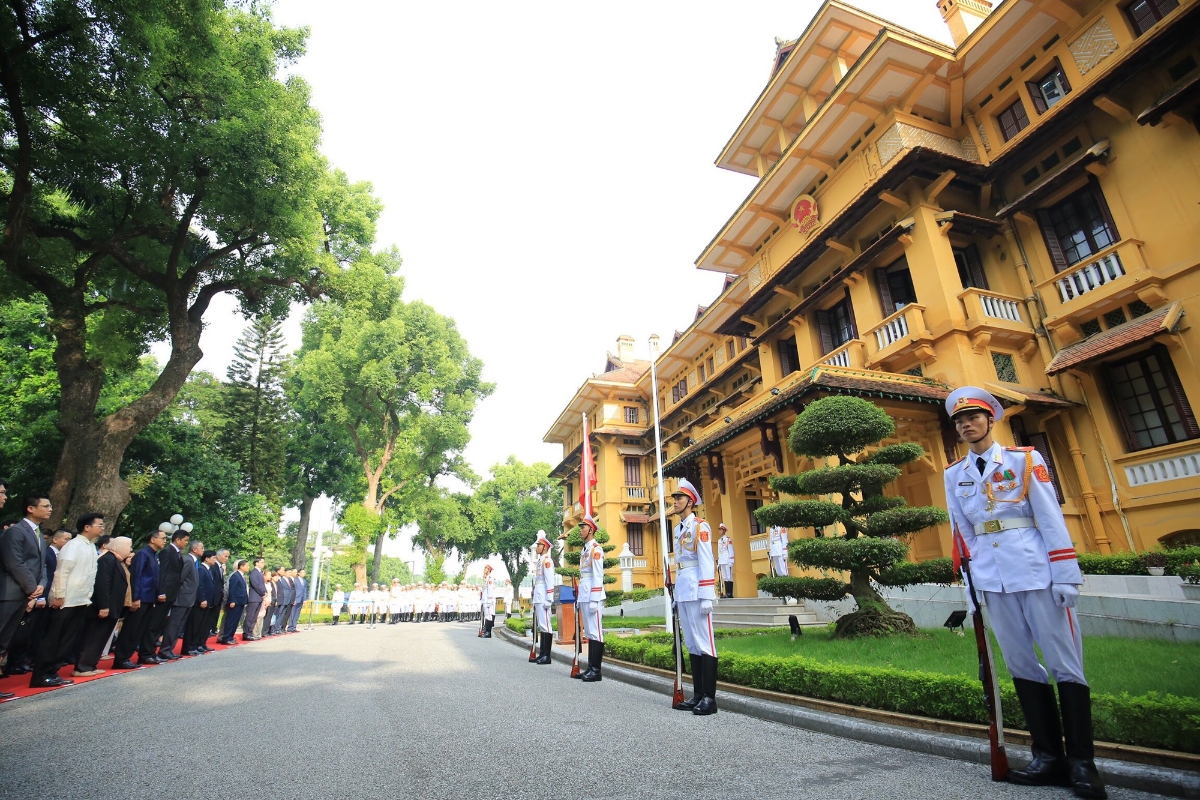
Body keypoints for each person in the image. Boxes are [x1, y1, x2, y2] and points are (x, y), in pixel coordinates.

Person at [943, 387, 1104, 799]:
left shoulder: (1024, 460)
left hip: (1036, 572)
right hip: (992, 579)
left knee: (1065, 664)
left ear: (990, 420)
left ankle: (1083, 763)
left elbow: (1050, 518)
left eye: (974, 417)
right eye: (960, 421)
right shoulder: (954, 474)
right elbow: (963, 532)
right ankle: (1047, 757)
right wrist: (970, 585)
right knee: (1021, 664)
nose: (966, 424)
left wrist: (1066, 574)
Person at [32, 513, 105, 687]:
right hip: (66, 599)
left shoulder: (90, 546)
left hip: (81, 600)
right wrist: (58, 595)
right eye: (99, 525)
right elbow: (62, 571)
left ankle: (53, 671)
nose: (102, 528)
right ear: (87, 527)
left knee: (67, 640)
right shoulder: (74, 545)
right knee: (54, 638)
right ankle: (41, 675)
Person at [670, 478, 718, 715]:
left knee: (705, 643)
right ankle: (698, 694)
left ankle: (710, 698)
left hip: (698, 590)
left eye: (679, 498)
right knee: (692, 643)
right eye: (674, 498)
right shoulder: (679, 529)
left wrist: (707, 594)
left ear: (690, 501)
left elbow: (706, 561)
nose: (675, 502)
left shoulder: (701, 526)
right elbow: (680, 563)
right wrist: (676, 595)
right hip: (684, 590)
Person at [0, 494, 52, 694]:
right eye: (45, 506)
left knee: (5, 640)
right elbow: (14, 562)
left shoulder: (38, 533)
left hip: (25, 592)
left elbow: (41, 565)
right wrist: (32, 587)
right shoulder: (16, 532)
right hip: (10, 592)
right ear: (31, 508)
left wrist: (42, 584)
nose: (50, 509)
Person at [74, 534, 132, 676]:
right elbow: (102, 584)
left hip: (112, 608)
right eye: (128, 547)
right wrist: (104, 606)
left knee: (100, 638)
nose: (130, 550)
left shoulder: (116, 561)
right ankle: (82, 666)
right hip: (103, 607)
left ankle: (91, 665)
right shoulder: (107, 559)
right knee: (93, 637)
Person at [113, 528, 164, 668]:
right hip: (140, 597)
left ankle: (133, 657)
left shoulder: (155, 555)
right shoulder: (143, 554)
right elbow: (137, 576)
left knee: (140, 629)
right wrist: (135, 598)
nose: (165, 541)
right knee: (131, 629)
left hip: (149, 598)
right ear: (153, 539)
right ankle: (121, 659)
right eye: (163, 538)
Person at [147, 528, 188, 659]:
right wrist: (161, 592)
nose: (186, 543)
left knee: (160, 624)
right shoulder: (167, 552)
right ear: (177, 540)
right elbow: (163, 573)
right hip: (164, 594)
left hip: (171, 593)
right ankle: (148, 652)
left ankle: (156, 652)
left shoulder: (176, 553)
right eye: (185, 540)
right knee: (154, 624)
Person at [575, 515, 606, 682]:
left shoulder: (596, 549)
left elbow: (598, 575)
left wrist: (595, 598)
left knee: (596, 632)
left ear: (591, 530)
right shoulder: (585, 549)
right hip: (585, 593)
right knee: (589, 632)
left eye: (583, 527)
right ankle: (590, 667)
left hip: (593, 594)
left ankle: (596, 670)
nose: (580, 530)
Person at [160, 539, 202, 659]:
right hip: (181, 598)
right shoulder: (188, 560)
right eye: (201, 547)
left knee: (178, 626)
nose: (203, 550)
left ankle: (170, 650)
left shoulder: (194, 562)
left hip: (189, 599)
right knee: (173, 625)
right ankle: (165, 649)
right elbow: (180, 579)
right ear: (194, 549)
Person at [183, 550, 216, 655]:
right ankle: (189, 647)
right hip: (200, 602)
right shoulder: (201, 569)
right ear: (207, 558)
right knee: (194, 625)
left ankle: (197, 644)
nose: (214, 560)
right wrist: (202, 598)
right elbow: (199, 585)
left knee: (202, 625)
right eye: (213, 558)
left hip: (208, 602)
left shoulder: (208, 570)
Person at [530, 530, 555, 665]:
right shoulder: (540, 561)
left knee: (546, 626)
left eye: (539, 545)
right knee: (542, 625)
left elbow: (549, 580)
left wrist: (549, 598)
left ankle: (547, 655)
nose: (537, 547)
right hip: (539, 595)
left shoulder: (547, 561)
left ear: (545, 547)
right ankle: (542, 653)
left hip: (544, 596)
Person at [219, 559, 249, 644]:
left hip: (240, 602)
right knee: (231, 620)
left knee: (235, 621)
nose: (248, 567)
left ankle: (230, 637)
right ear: (241, 566)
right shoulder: (235, 576)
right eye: (246, 565)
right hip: (235, 602)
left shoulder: (242, 576)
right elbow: (232, 589)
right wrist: (231, 601)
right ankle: (226, 637)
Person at [243, 558, 267, 640]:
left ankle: (250, 632)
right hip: (254, 597)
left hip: (259, 597)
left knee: (254, 617)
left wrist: (265, 592)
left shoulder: (260, 573)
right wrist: (263, 593)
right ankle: (246, 633)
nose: (263, 564)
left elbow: (262, 585)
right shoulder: (254, 573)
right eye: (262, 562)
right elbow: (255, 584)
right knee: (250, 616)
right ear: (256, 563)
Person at [717, 523, 734, 598]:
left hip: (727, 560)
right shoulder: (719, 541)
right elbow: (719, 552)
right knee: (724, 576)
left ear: (724, 531)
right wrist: (719, 562)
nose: (719, 531)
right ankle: (727, 593)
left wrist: (731, 561)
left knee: (729, 576)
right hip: (722, 560)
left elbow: (731, 550)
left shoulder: (728, 539)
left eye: (720, 530)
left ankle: (730, 593)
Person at [480, 567, 496, 638]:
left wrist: (489, 600)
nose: (484, 570)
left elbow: (490, 590)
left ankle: (488, 633)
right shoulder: (486, 578)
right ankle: (486, 631)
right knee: (487, 616)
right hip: (485, 600)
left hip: (488, 600)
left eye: (485, 568)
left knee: (489, 616)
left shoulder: (490, 578)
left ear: (488, 570)